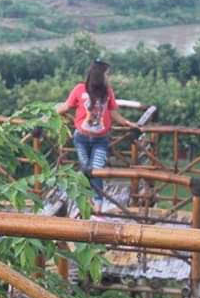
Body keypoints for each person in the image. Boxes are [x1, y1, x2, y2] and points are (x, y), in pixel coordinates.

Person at [55, 59, 140, 211]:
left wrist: (127, 123)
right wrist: (48, 115)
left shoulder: (108, 92)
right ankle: (86, 203)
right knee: (86, 169)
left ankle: (98, 206)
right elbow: (67, 107)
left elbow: (113, 113)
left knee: (97, 170)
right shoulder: (79, 89)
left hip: (101, 139)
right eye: (108, 74)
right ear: (99, 75)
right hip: (81, 137)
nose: (109, 77)